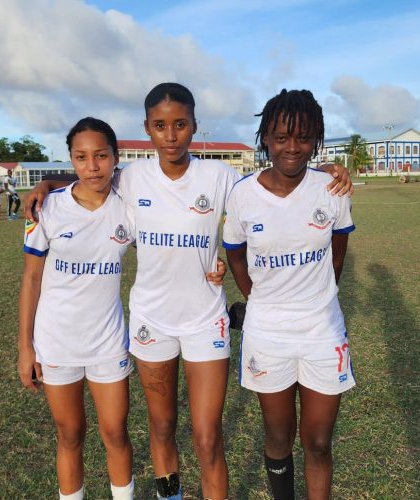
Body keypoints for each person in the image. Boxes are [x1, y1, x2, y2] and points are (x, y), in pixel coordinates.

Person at [24, 83, 353, 500]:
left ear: (194, 126)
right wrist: (47, 182)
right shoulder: (133, 178)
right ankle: (171, 496)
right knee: (162, 428)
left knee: (206, 435)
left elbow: (276, 177)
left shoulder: (220, 177)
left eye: (180, 124)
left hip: (205, 321)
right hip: (151, 322)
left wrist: (326, 170)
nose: (171, 135)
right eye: (160, 126)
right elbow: (91, 174)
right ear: (147, 129)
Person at [223, 89, 356, 500]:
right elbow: (235, 255)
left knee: (317, 441)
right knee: (278, 438)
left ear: (316, 139)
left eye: (303, 138)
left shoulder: (331, 189)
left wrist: (317, 296)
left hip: (321, 330)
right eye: (281, 137)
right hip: (268, 333)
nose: (292, 148)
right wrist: (258, 298)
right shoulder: (243, 194)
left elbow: (337, 254)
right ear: (266, 138)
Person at [18, 117, 135, 500]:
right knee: (69, 434)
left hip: (108, 342)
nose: (92, 166)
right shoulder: (47, 208)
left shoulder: (127, 208)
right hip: (56, 342)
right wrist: (25, 348)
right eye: (81, 157)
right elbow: (31, 280)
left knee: (115, 432)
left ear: (116, 157)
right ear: (71, 159)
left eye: (101, 155)